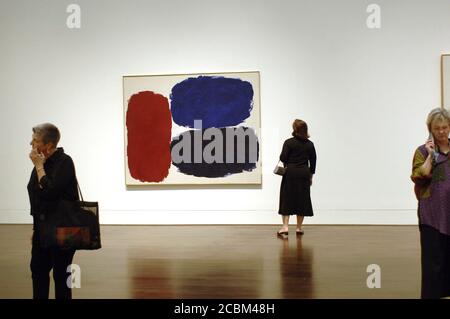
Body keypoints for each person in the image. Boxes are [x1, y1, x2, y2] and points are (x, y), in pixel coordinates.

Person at [27, 123, 79, 299]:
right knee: (38, 272)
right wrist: (36, 229)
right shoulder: (41, 163)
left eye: (35, 140)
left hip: (63, 231)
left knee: (62, 276)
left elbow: (50, 192)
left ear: (48, 145)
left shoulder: (64, 162)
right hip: (43, 231)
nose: (31, 144)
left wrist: (39, 167)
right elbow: (36, 198)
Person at [411, 107, 450, 299]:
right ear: (430, 129)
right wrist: (430, 154)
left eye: (445, 127)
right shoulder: (421, 152)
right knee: (433, 262)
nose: (442, 132)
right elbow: (421, 174)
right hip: (432, 215)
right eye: (437, 128)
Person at [277, 119, 316, 237]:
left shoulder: (289, 142)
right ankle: (299, 228)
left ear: (295, 129)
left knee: (287, 198)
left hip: (290, 173)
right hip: (304, 173)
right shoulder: (310, 144)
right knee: (302, 199)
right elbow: (313, 161)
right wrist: (311, 175)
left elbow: (283, 158)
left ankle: (285, 227)